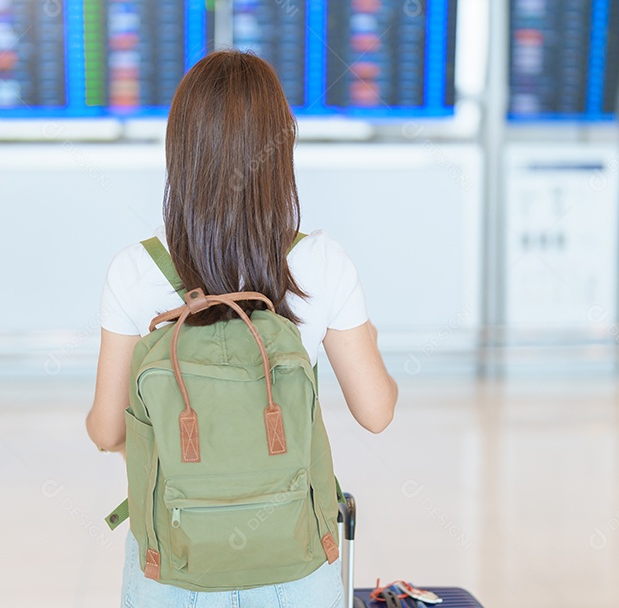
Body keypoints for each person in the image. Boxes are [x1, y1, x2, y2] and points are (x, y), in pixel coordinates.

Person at [86, 51, 398, 607]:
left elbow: (107, 431)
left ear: (179, 152)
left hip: (172, 568)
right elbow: (376, 411)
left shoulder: (133, 271)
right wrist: (365, 340)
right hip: (294, 564)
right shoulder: (322, 265)